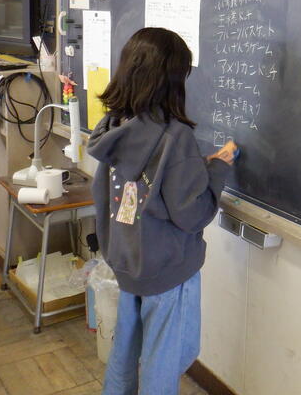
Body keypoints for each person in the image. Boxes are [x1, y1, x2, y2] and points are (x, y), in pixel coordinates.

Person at [87, 27, 238, 394]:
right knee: (163, 363)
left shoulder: (111, 128)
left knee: (124, 353)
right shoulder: (174, 137)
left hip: (126, 262)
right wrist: (219, 168)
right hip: (168, 269)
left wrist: (197, 167)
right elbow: (192, 214)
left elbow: (145, 184)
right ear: (172, 81)